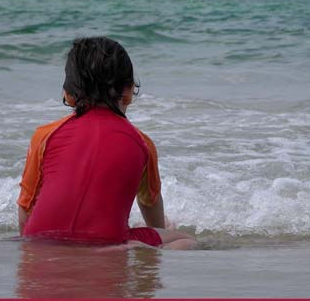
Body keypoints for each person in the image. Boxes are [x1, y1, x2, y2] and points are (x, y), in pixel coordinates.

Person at [17, 37, 196, 250]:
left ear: (69, 94)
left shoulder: (44, 135)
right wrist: (159, 231)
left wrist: (31, 247)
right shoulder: (142, 143)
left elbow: (25, 209)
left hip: (40, 240)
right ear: (129, 92)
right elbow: (150, 202)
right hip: (107, 244)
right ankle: (135, 251)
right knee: (187, 241)